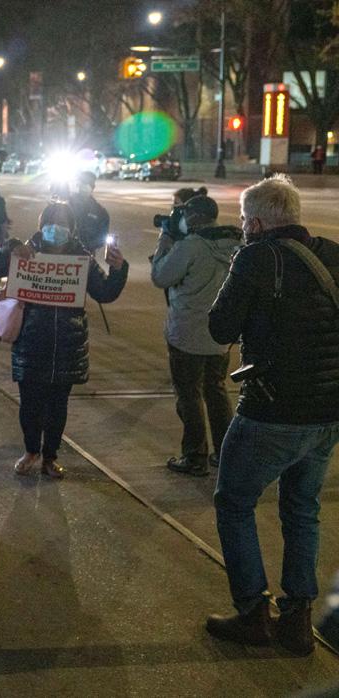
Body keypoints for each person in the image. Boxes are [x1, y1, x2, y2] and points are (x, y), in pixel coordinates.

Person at [205, 174, 339, 656]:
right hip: (327, 411)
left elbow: (220, 327)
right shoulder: (334, 253)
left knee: (234, 501)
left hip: (272, 409)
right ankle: (298, 621)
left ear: (257, 222)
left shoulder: (255, 257)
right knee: (302, 509)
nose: (241, 228)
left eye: (243, 220)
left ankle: (252, 613)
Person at [0, 202, 129, 479]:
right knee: (30, 404)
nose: (56, 229)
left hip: (68, 345)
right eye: (51, 222)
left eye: (62, 224)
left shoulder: (81, 259)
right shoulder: (27, 250)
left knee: (58, 406)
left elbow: (105, 292)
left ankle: (50, 456)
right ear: (41, 226)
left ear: (71, 229)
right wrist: (10, 249)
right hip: (31, 342)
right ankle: (31, 451)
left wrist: (119, 269)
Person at [150, 194, 241, 477]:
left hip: (186, 334)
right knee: (216, 390)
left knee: (189, 395)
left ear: (194, 218)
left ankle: (194, 456)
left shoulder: (190, 246)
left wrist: (165, 239)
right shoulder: (235, 245)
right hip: (220, 335)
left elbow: (160, 277)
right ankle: (225, 454)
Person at [69, 171, 111, 252]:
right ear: (78, 185)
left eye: (88, 184)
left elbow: (101, 238)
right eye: (82, 183)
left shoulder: (100, 212)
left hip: (87, 255)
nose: (84, 187)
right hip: (63, 254)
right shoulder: (65, 205)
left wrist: (84, 247)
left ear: (93, 187)